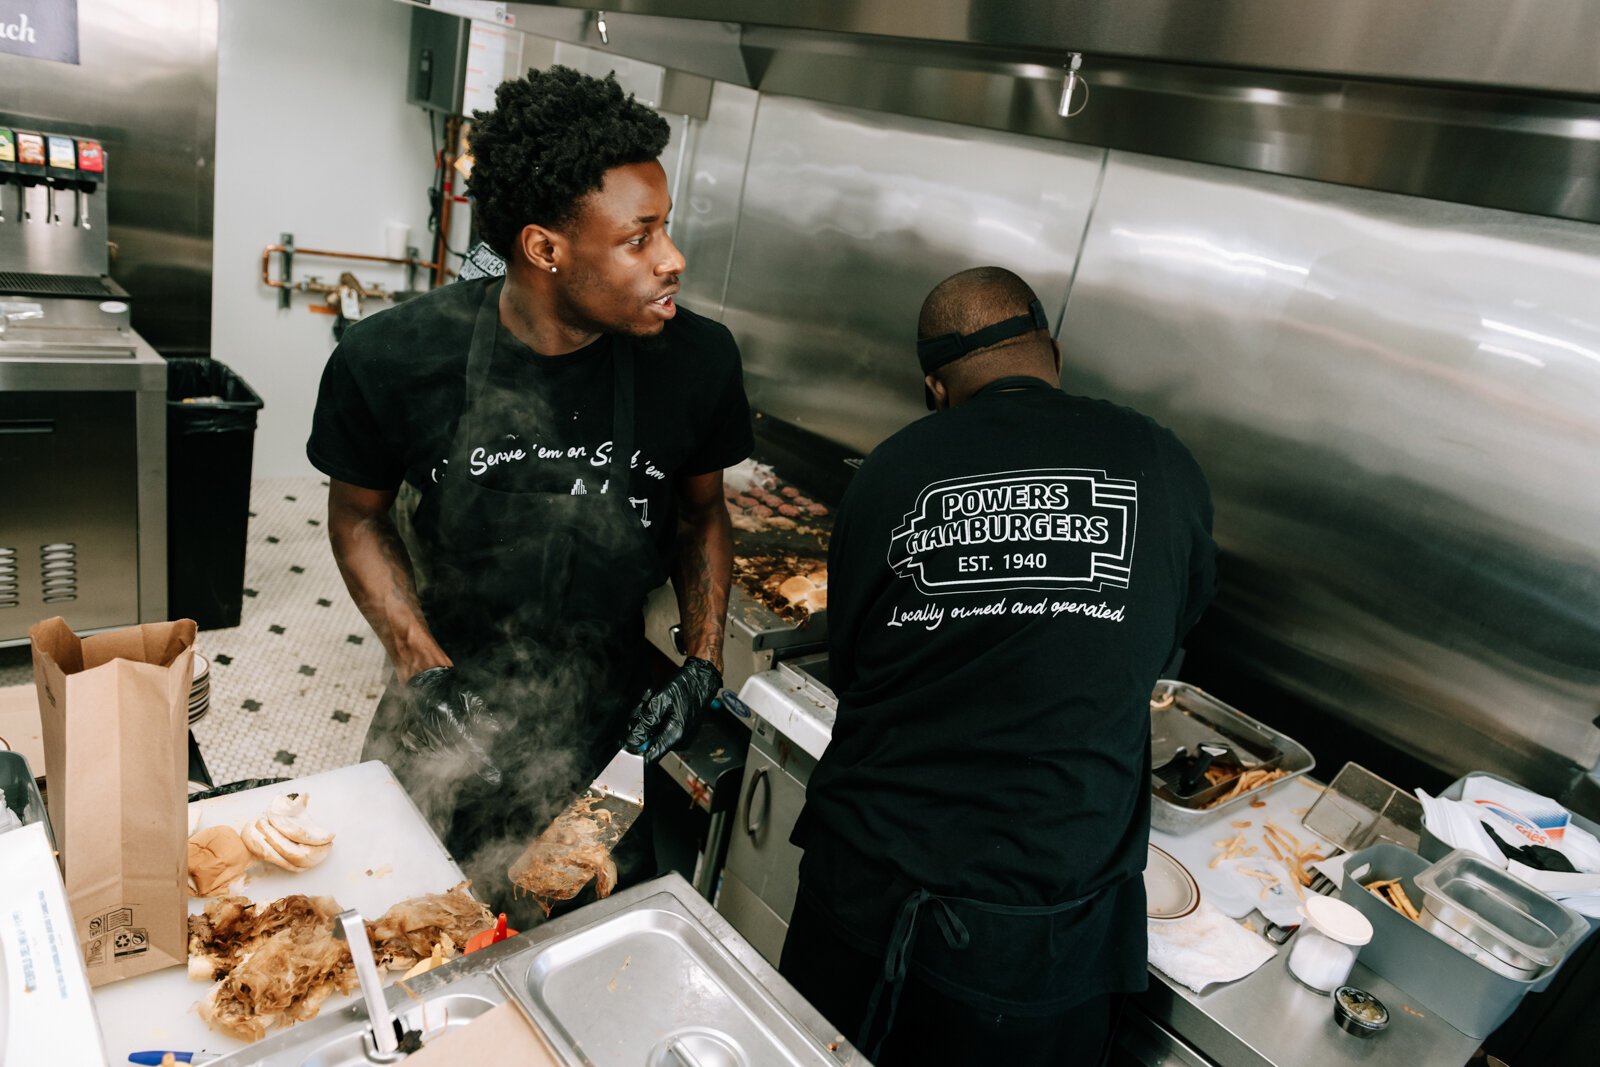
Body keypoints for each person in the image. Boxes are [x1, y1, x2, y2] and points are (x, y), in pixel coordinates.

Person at [307, 67, 751, 914]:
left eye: (666, 228)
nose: (672, 259)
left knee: (572, 941)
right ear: (546, 249)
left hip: (606, 732)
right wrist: (419, 665)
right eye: (639, 239)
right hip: (442, 707)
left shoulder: (698, 362)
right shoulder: (393, 358)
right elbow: (358, 517)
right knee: (405, 932)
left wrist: (701, 660)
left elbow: (702, 512)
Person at [779, 267, 1217, 1064]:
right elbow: (1160, 647)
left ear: (934, 390)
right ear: (1054, 351)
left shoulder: (889, 470)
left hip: (864, 892)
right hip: (1038, 937)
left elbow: (855, 664)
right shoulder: (1162, 461)